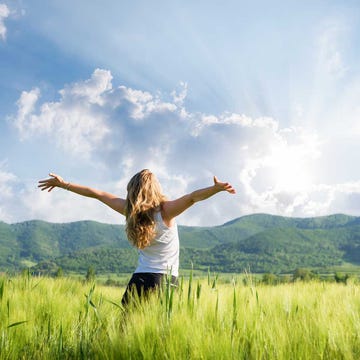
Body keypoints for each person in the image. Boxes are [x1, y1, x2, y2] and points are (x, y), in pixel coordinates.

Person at [38, 170, 236, 305]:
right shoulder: (166, 211)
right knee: (161, 336)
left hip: (141, 279)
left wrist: (64, 184)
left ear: (132, 190)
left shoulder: (129, 211)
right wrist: (215, 189)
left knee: (125, 333)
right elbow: (192, 197)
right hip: (168, 282)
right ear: (156, 188)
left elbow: (97, 193)